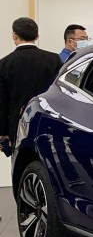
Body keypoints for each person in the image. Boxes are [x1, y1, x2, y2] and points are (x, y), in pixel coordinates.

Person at [0, 17, 63, 154]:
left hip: (18, 126)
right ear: (37, 36)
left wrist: (3, 133)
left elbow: (3, 102)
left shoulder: (4, 64)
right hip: (48, 123)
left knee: (22, 167)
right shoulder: (54, 60)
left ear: (14, 36)